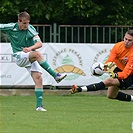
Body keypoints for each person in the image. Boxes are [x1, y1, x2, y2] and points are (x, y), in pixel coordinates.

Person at [0, 11, 67, 111]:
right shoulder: (11, 27)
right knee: (37, 54)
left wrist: (30, 48)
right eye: (24, 23)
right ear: (18, 21)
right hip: (18, 56)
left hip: (29, 55)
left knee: (38, 78)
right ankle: (55, 75)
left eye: (27, 23)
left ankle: (39, 106)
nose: (26, 25)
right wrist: (30, 50)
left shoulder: (31, 29)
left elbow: (39, 44)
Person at [70, 29, 133, 102]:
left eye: (130, 40)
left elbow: (125, 74)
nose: (126, 42)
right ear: (124, 37)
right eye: (125, 39)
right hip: (118, 69)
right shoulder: (118, 46)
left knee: (108, 81)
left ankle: (79, 89)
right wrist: (103, 69)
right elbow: (109, 61)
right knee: (111, 95)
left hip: (129, 76)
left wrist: (115, 75)